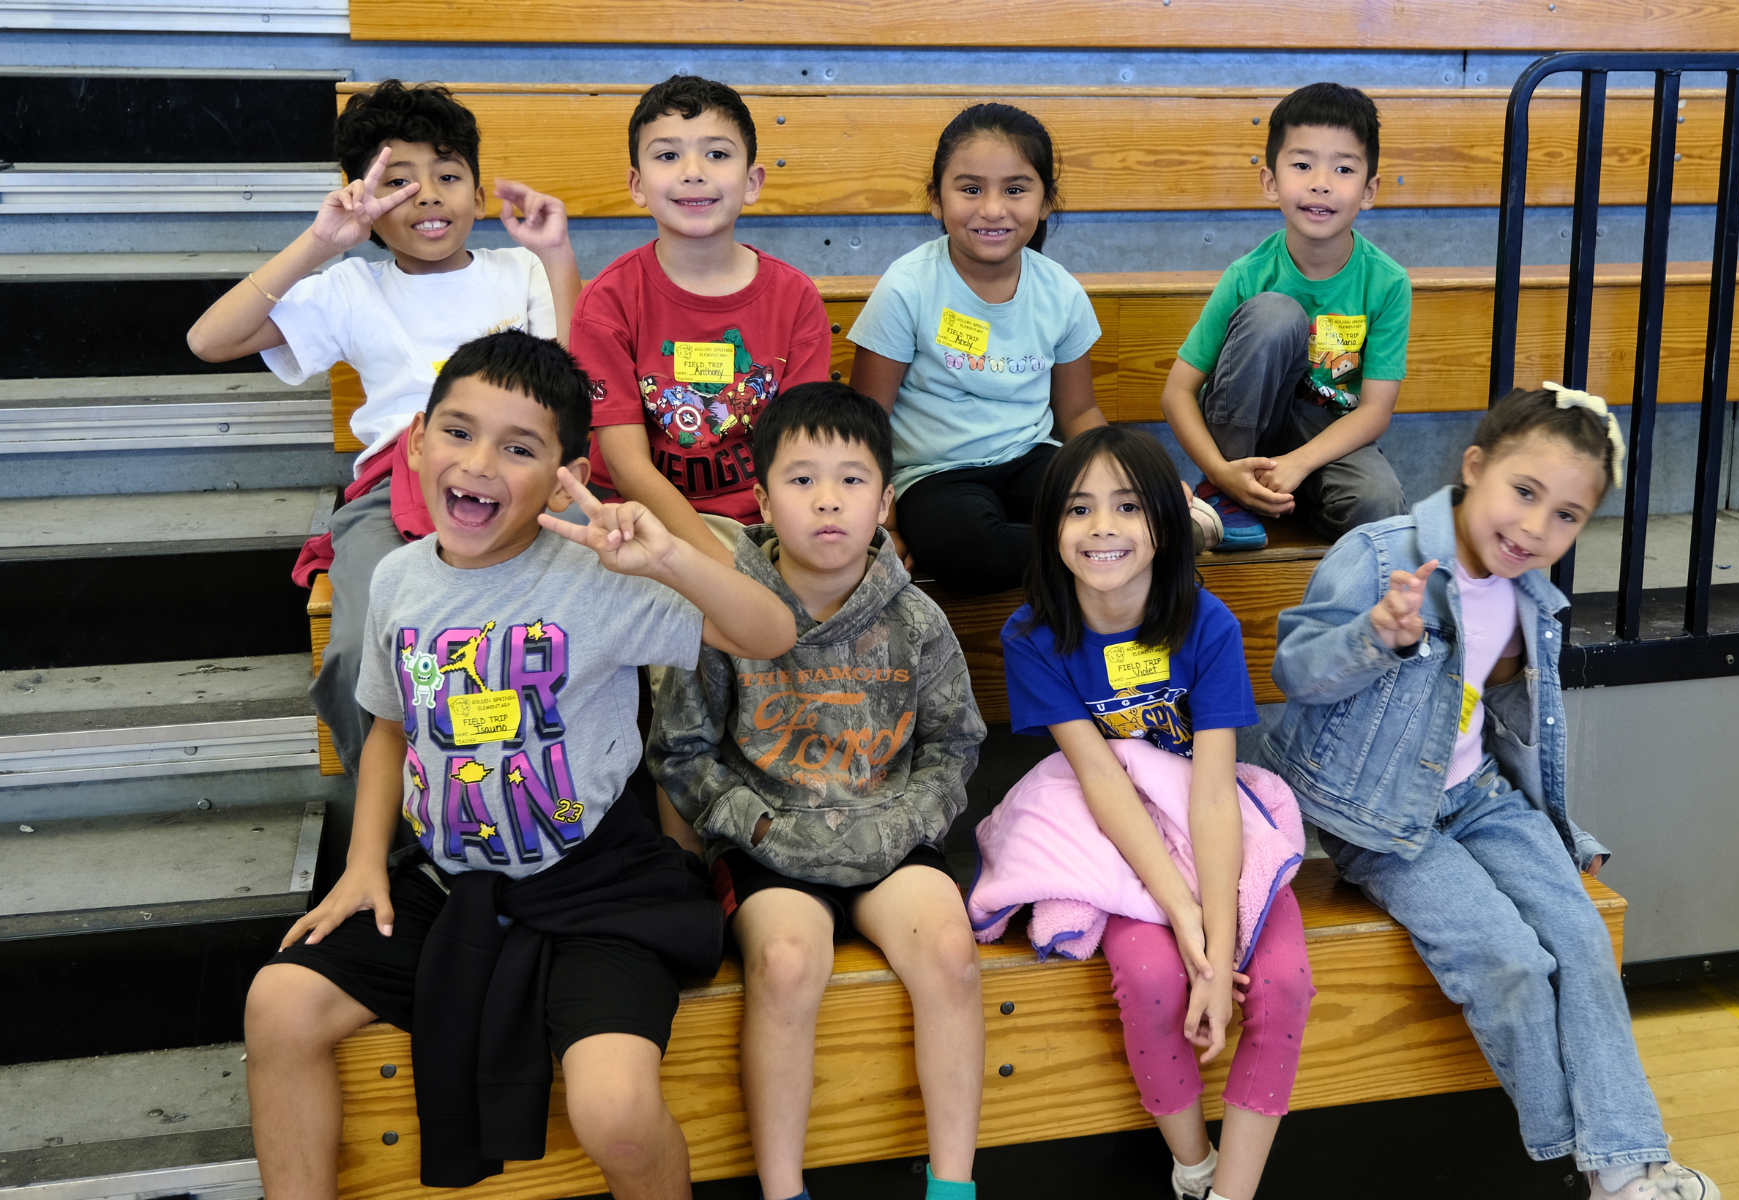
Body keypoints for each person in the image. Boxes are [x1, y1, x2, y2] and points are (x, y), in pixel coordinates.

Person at [241, 331, 798, 1200]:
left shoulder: (599, 577)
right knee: (276, 1006)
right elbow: (387, 726)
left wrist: (666, 557)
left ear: (565, 475)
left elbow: (771, 634)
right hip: (449, 881)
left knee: (615, 1110)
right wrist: (362, 864)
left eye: (519, 448)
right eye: (459, 432)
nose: (479, 464)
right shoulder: (396, 579)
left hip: (599, 888)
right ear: (416, 441)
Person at [1256, 385, 1721, 1199]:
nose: (1536, 528)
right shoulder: (1379, 556)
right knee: (1506, 958)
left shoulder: (1529, 595)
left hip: (1478, 798)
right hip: (1381, 820)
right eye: (1524, 492)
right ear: (1474, 467)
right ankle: (1592, 1158)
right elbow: (1293, 671)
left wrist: (1561, 832)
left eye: (1567, 515)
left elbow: (1499, 728)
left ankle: (1627, 1165)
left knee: (1580, 937)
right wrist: (1374, 636)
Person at [648, 381, 987, 1200]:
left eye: (851, 479)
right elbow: (683, 753)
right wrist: (761, 830)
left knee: (950, 952)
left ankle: (952, 1185)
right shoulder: (724, 613)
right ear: (764, 501)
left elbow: (953, 746)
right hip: (769, 845)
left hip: (890, 836)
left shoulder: (917, 621)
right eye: (801, 480)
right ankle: (783, 1189)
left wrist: (903, 824)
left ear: (886, 501)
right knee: (788, 962)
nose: (828, 500)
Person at [186, 79, 582, 775]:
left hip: (517, 482)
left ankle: (542, 792)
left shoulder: (519, 268)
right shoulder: (351, 287)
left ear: (478, 195)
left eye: (447, 175)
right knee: (357, 646)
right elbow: (209, 341)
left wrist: (557, 256)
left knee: (573, 613)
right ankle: (403, 812)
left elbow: (575, 383)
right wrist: (321, 242)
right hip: (391, 490)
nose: (427, 196)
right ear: (365, 204)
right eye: (398, 182)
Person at [998, 426, 1312, 1200]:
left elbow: (1212, 791)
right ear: (1052, 530)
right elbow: (1102, 780)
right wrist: (1185, 923)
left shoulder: (1208, 624)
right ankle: (1194, 1170)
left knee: (1279, 984)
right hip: (1117, 837)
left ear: (1165, 527)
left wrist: (1221, 944)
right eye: (1078, 509)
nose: (1102, 527)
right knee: (1152, 980)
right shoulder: (1032, 635)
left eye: (1129, 506)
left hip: (1205, 820)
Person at [849, 103, 1218, 594]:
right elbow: (867, 418)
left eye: (1015, 189)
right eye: (970, 189)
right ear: (936, 199)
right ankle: (1136, 547)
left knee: (1104, 505)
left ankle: (1136, 535)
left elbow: (1078, 412)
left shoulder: (1060, 291)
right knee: (966, 547)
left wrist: (1134, 480)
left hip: (1033, 458)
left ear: (1046, 201)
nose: (992, 209)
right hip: (934, 475)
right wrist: (883, 518)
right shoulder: (907, 286)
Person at [574, 74, 832, 567]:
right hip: (638, 517)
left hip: (764, 520)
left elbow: (802, 450)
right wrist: (722, 568)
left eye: (717, 153)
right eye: (668, 155)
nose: (693, 172)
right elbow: (628, 468)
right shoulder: (607, 301)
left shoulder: (795, 298)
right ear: (637, 185)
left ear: (752, 182)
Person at [1161, 82, 1411, 551]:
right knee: (1276, 313)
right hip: (1247, 438)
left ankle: (1285, 498)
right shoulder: (1247, 275)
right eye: (1302, 165)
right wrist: (1219, 471)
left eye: (1343, 168)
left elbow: (1375, 410)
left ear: (1369, 190)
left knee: (1379, 505)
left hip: (1327, 439)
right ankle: (1228, 494)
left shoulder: (1388, 282)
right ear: (1270, 182)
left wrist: (1299, 464)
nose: (1321, 182)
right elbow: (1177, 392)